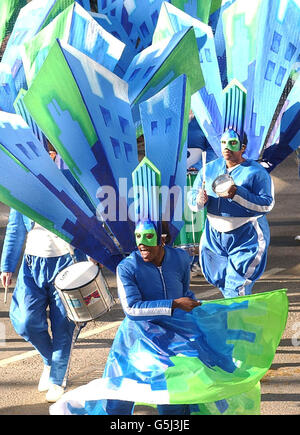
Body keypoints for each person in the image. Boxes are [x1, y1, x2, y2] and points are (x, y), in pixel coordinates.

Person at [0, 147, 86, 403]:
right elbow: (15, 227)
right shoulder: (25, 183)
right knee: (25, 321)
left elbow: (90, 218)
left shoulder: (74, 179)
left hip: (67, 263)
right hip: (32, 263)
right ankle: (51, 361)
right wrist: (6, 266)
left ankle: (57, 378)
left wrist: (97, 251)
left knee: (64, 324)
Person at [104, 219, 201, 415]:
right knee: (117, 402)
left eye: (148, 237)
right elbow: (132, 309)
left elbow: (184, 291)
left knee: (172, 399)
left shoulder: (181, 258)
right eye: (138, 238)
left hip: (174, 338)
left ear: (162, 240)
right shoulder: (127, 267)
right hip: (137, 339)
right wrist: (173, 304)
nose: (142, 244)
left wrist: (196, 307)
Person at [187, 129, 275, 298]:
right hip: (213, 236)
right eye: (223, 143)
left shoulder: (256, 172)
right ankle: (234, 316)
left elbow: (267, 204)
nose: (226, 147)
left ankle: (236, 322)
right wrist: (199, 200)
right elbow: (192, 198)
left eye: (232, 143)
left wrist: (237, 193)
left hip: (246, 236)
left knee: (236, 286)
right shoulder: (209, 169)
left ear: (243, 148)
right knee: (218, 279)